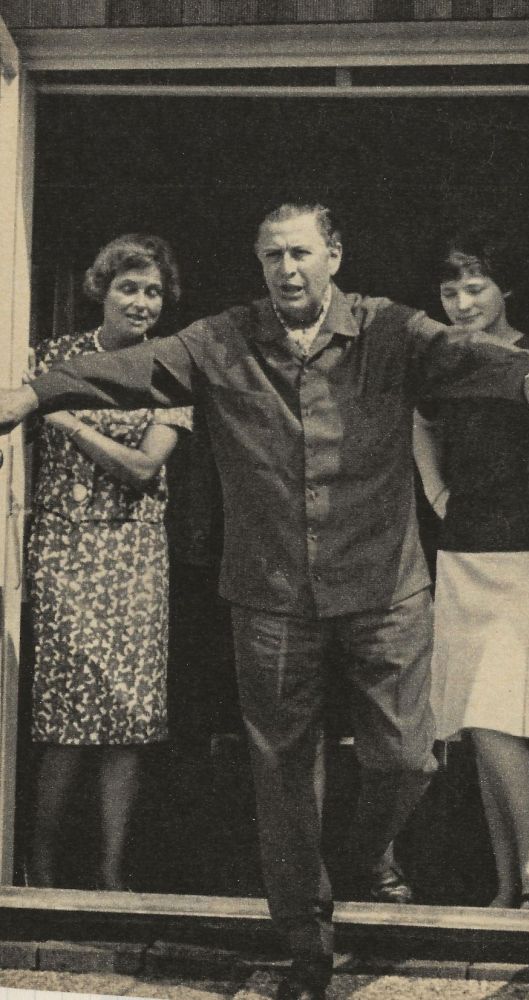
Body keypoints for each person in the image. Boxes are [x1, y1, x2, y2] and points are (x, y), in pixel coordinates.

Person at [0, 204, 529, 1000]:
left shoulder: (388, 328)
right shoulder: (225, 338)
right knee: (285, 773)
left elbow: (463, 353)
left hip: (382, 588)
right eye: (272, 256)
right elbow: (136, 367)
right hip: (270, 595)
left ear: (333, 255)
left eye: (300, 252)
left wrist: (527, 377)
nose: (287, 269)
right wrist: (35, 394)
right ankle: (307, 945)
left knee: (407, 758)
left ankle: (359, 856)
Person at [25, 234, 192, 890]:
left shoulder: (171, 368)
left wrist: (68, 422)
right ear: (102, 289)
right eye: (129, 287)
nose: (141, 302)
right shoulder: (53, 359)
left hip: (135, 552)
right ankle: (39, 867)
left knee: (128, 718)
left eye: (153, 291)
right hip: (63, 550)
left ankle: (111, 872)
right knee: (64, 717)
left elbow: (145, 466)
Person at [413, 229, 529, 910]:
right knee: (475, 726)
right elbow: (418, 422)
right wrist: (438, 494)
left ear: (506, 289)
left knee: (496, 719)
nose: (462, 303)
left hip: (528, 556)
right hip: (463, 556)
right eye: (450, 292)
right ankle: (508, 886)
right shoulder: (442, 360)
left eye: (475, 288)